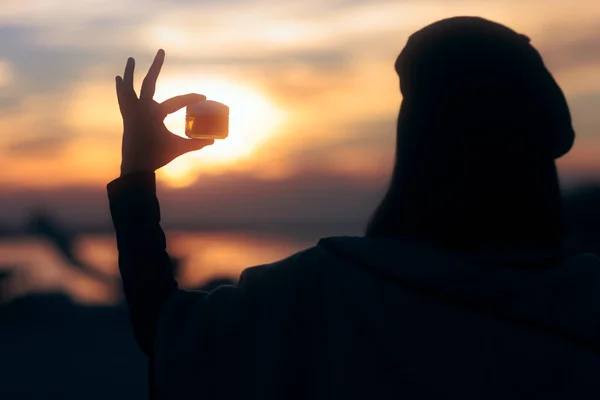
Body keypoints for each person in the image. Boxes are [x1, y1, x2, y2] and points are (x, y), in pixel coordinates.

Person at [107, 16, 600, 400]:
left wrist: (137, 173)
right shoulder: (583, 300)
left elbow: (169, 332)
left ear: (415, 138)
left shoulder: (314, 293)